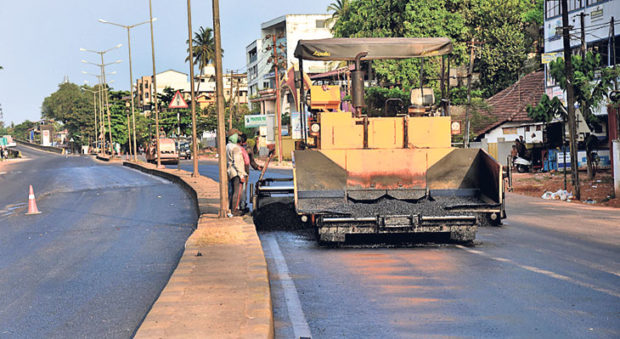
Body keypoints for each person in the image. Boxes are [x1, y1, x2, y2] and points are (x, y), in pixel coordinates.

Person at [226, 131, 247, 216]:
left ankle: (231, 209)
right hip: (236, 172)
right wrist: (241, 174)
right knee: (237, 192)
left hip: (230, 171)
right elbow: (237, 163)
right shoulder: (236, 148)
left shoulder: (227, 146)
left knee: (232, 191)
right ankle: (234, 210)